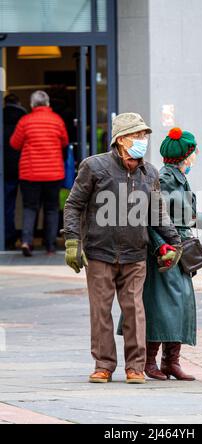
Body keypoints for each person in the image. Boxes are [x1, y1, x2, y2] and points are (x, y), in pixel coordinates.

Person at [63, 113, 181, 385]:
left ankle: (135, 367)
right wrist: (72, 241)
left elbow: (157, 213)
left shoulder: (149, 172)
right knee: (101, 311)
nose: (143, 140)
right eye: (137, 135)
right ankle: (103, 365)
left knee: (135, 311)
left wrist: (174, 243)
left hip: (135, 254)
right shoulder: (94, 167)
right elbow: (73, 205)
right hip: (100, 252)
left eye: (144, 135)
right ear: (121, 139)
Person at [119, 128, 202, 381]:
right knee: (162, 306)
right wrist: (160, 247)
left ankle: (171, 361)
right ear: (185, 155)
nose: (196, 155)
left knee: (181, 305)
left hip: (181, 251)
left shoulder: (179, 178)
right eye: (193, 151)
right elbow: (151, 219)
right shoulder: (164, 179)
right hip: (164, 254)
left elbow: (181, 214)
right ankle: (149, 361)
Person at [10, 91, 69, 256]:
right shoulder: (57, 121)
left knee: (30, 208)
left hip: (30, 174)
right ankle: (50, 246)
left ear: (31, 104)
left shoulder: (25, 121)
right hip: (53, 173)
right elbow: (64, 141)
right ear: (48, 103)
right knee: (51, 209)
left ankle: (27, 242)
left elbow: (14, 143)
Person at [3, 94, 27, 249]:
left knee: (7, 204)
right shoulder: (26, 119)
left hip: (5, 168)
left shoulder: (1, 117)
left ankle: (8, 238)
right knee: (30, 206)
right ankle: (27, 238)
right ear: (18, 102)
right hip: (26, 167)